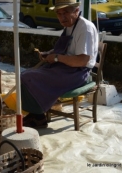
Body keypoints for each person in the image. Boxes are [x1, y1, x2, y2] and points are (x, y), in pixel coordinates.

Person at [21, 0, 99, 128]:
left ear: (76, 10)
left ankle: (39, 116)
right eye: (59, 13)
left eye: (66, 13)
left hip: (79, 73)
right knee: (27, 74)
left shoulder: (85, 28)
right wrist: (50, 53)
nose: (62, 17)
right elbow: (66, 49)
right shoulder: (70, 25)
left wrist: (56, 58)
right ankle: (36, 113)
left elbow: (82, 61)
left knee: (29, 77)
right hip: (66, 68)